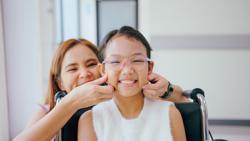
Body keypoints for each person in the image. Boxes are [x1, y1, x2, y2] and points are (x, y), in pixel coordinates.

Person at [14, 38, 187, 141]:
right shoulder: (49, 109)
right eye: (73, 69)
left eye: (91, 65)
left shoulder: (121, 101)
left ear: (103, 69)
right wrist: (71, 102)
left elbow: (184, 98)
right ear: (59, 82)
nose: (85, 74)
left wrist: (168, 89)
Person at [78, 26, 186, 141]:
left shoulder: (169, 114)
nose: (127, 70)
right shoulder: (91, 120)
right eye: (115, 61)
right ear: (103, 70)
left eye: (137, 60)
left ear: (149, 67)